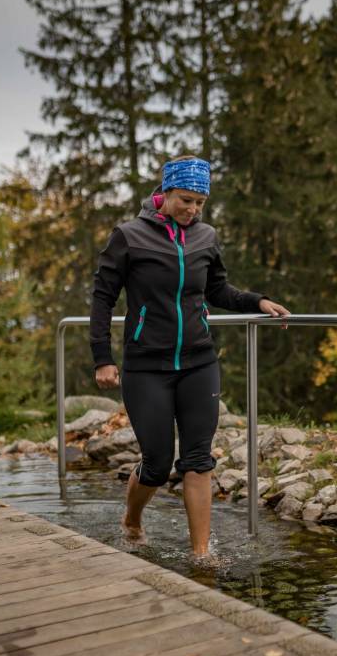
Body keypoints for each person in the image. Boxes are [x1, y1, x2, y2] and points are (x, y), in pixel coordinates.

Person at [89, 155, 289, 563]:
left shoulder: (205, 237)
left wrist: (258, 301)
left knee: (199, 458)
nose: (193, 210)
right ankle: (132, 519)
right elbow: (102, 300)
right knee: (159, 464)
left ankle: (201, 556)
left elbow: (218, 290)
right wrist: (102, 358)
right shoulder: (128, 236)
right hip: (147, 366)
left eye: (200, 202)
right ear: (163, 194)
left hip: (199, 362)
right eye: (185, 200)